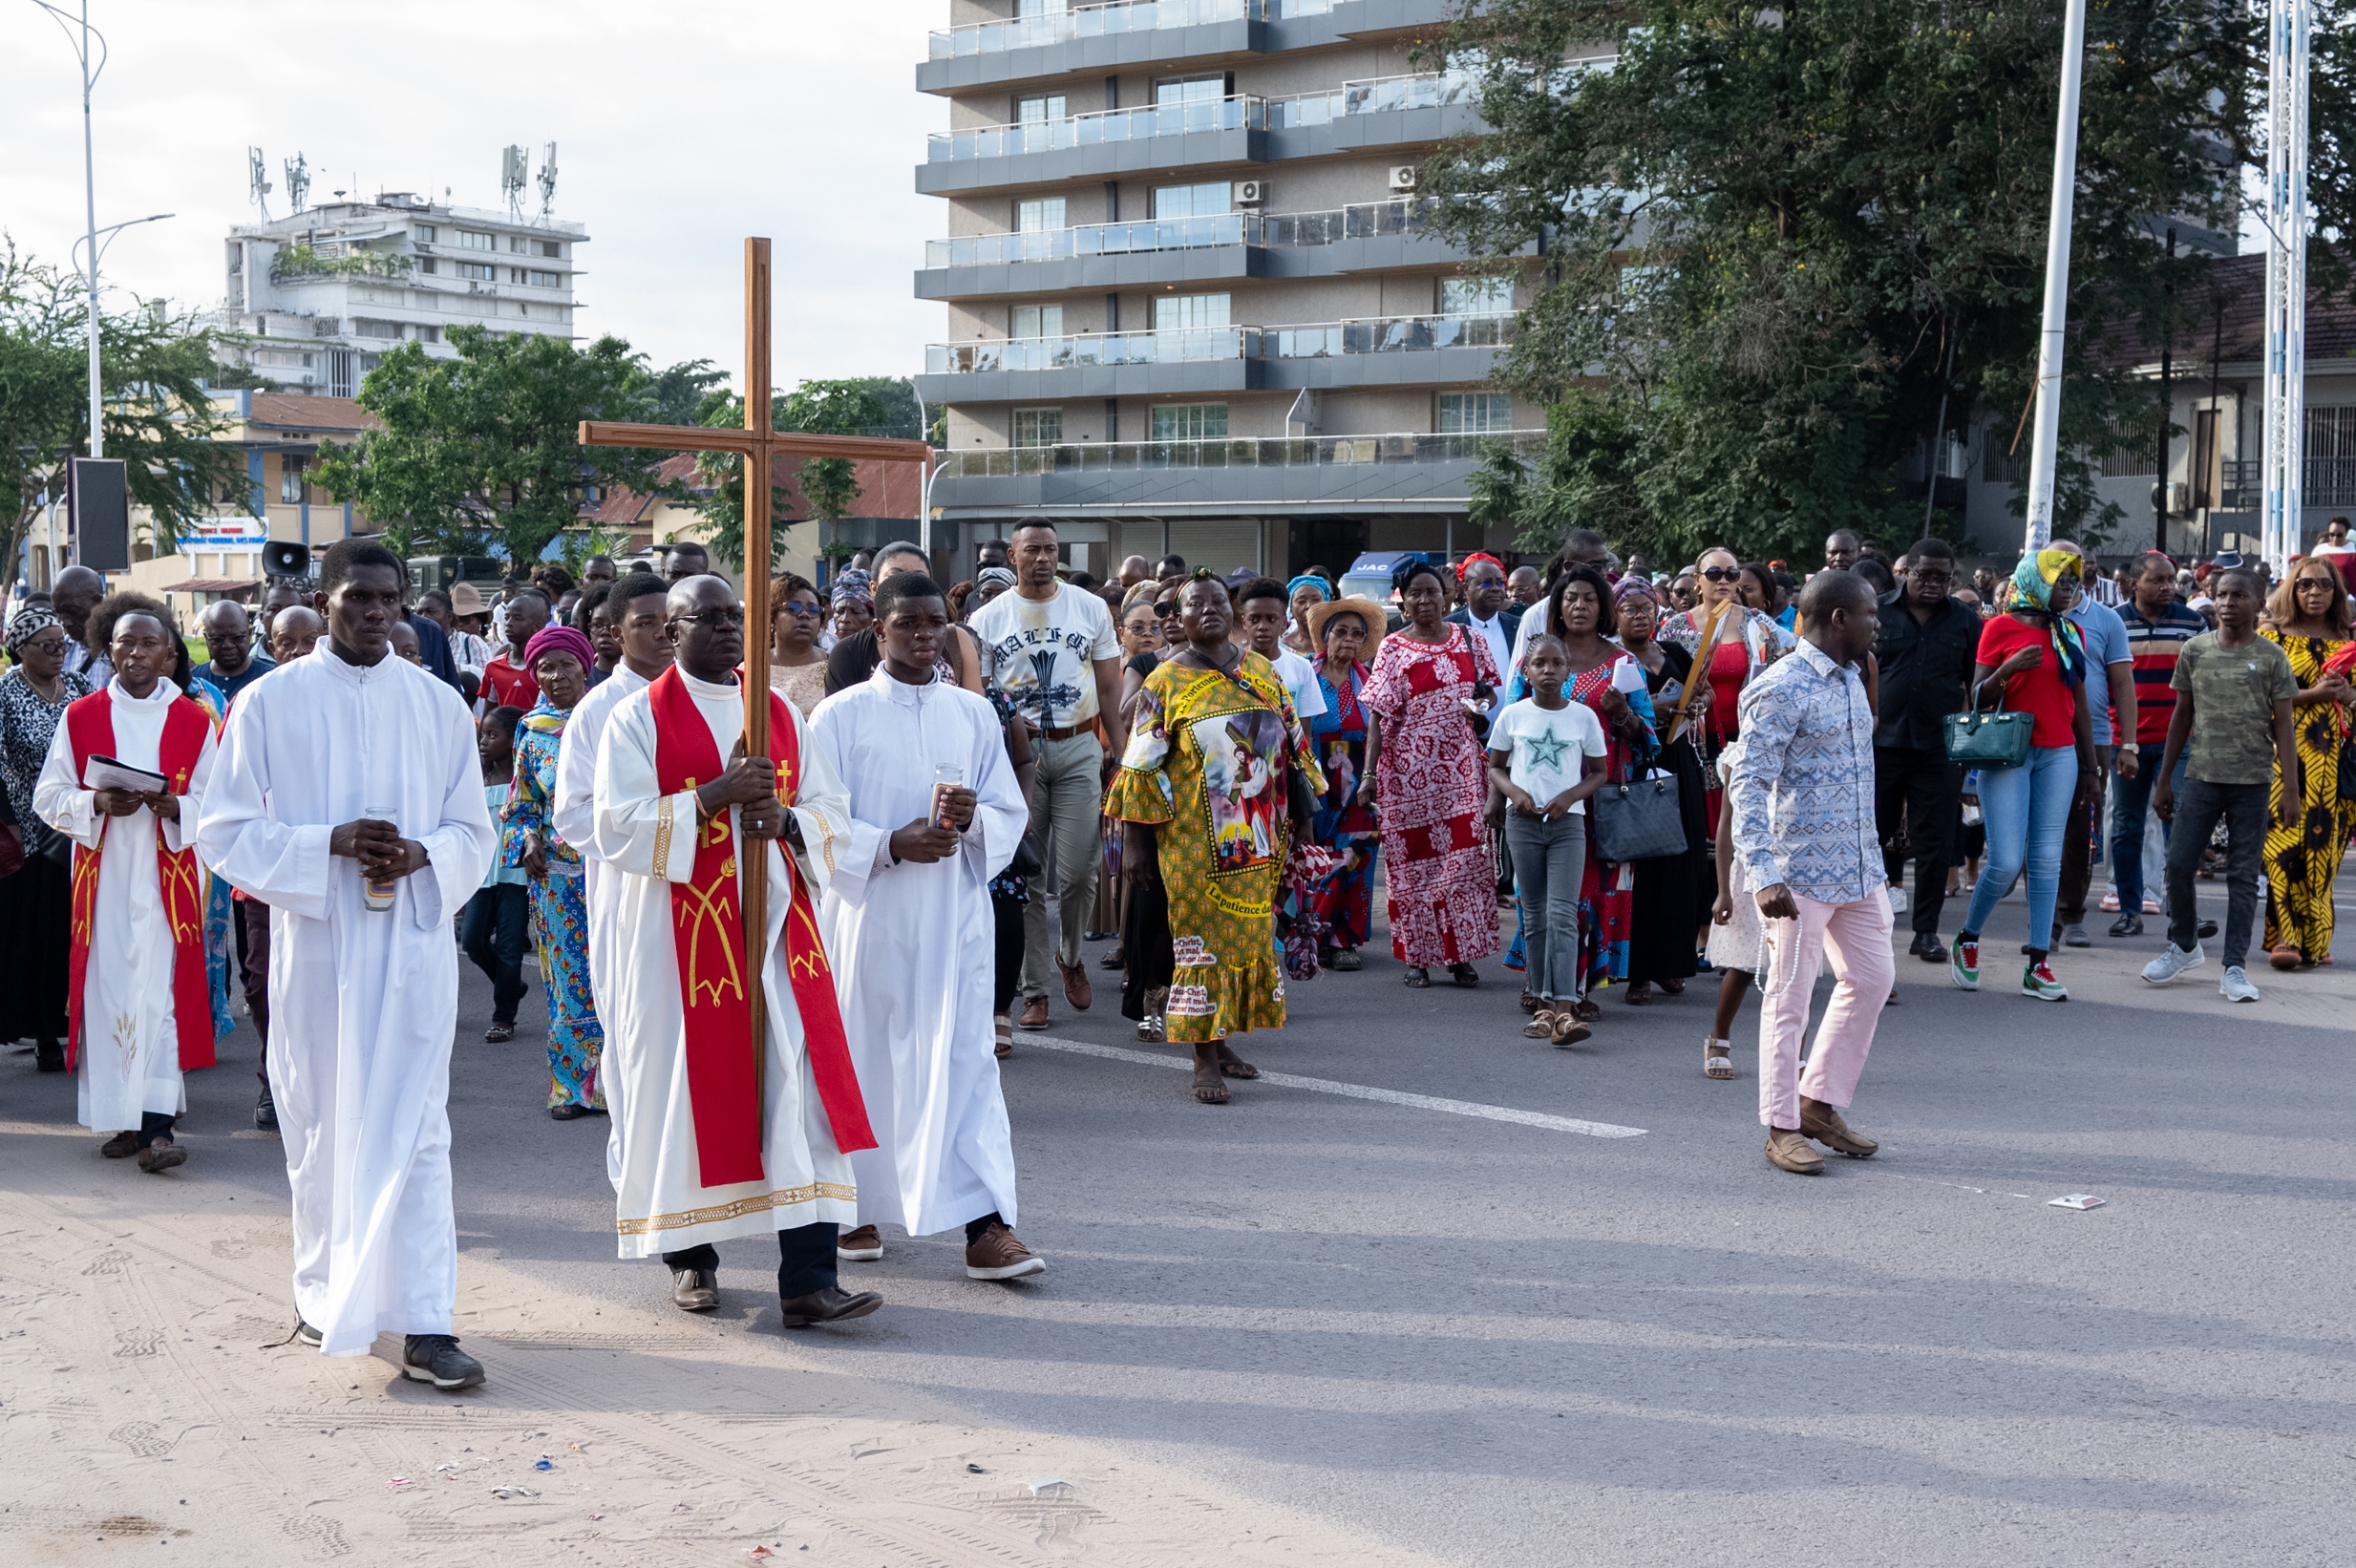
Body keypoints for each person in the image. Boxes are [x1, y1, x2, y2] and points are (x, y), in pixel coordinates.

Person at [195, 540, 498, 1388]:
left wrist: (422, 857)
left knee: (418, 1128)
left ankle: (426, 1322)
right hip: (317, 947)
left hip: (410, 949)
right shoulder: (268, 704)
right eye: (357, 598)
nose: (374, 612)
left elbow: (477, 833)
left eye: (388, 599)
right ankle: (328, 1296)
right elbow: (219, 831)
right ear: (323, 602)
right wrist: (318, 843)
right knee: (323, 1122)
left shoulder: (438, 706)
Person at [589, 573, 881, 1327]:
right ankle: (692, 1261)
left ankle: (809, 1281)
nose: (724, 628)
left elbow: (832, 814)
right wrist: (714, 797)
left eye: (734, 617)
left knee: (800, 1095)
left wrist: (784, 820)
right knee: (686, 1098)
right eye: (704, 618)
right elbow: (612, 826)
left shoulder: (778, 712)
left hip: (780, 941)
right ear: (669, 631)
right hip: (675, 947)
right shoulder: (635, 721)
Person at [810, 573, 1043, 1278]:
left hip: (950, 920)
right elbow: (812, 821)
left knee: (963, 1066)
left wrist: (974, 823)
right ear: (876, 632)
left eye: (934, 622)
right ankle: (852, 1209)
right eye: (906, 622)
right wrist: (886, 845)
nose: (922, 634)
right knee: (863, 1063)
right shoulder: (839, 717)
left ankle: (985, 1226)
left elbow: (1007, 808)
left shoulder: (972, 715)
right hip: (867, 920)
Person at [1107, 573, 1322, 1102]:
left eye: (1217, 602)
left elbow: (1293, 746)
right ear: (1176, 622)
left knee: (1246, 942)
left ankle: (1221, 1039)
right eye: (1194, 605)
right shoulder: (1164, 681)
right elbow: (1140, 767)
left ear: (1235, 613)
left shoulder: (1260, 671)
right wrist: (1136, 842)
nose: (1208, 610)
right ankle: (1203, 1057)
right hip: (1192, 845)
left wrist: (1305, 824)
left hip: (1258, 838)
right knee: (1199, 947)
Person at [33, 595, 218, 1174]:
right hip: (105, 875)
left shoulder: (193, 720)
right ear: (106, 650)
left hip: (169, 876)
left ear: (169, 655)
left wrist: (176, 806)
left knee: (159, 995)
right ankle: (123, 1118)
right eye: (124, 643)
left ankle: (158, 1128)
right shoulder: (81, 715)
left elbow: (217, 804)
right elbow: (48, 796)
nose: (135, 653)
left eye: (149, 644)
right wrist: (96, 801)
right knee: (110, 990)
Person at [1728, 571, 1890, 1175]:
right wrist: (1762, 872)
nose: (1880, 623)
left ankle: (1819, 1101)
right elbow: (1748, 782)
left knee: (1872, 980)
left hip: (1858, 865)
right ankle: (1781, 1125)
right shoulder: (1781, 687)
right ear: (1840, 619)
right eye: (1871, 614)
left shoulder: (1853, 677)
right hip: (1796, 873)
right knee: (1789, 999)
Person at [967, 520, 1126, 1028]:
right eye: (1031, 549)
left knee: (1080, 869)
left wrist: (1120, 755)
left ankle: (1071, 955)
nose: (1042, 557)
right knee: (1026, 873)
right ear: (1012, 555)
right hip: (1019, 756)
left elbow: (1109, 690)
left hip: (1079, 746)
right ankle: (1035, 987)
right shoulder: (989, 618)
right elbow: (981, 700)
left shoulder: (1090, 608)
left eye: (1050, 549)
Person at [2142, 569, 2302, 1002]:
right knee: (2177, 866)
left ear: (2259, 602)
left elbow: (2284, 725)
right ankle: (2184, 945)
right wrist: (2164, 780)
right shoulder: (2195, 650)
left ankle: (2234, 967)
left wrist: (2291, 789)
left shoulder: (2271, 657)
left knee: (2243, 877)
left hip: (2252, 781)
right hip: (2200, 777)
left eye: (2239, 595)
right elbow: (2181, 717)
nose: (2229, 602)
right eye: (2222, 594)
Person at [1948, 549, 2095, 1003]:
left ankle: (2038, 964)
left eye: (2073, 583)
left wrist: (2091, 766)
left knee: (2047, 859)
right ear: (2035, 582)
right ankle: (1968, 938)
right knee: (2007, 861)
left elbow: (2080, 704)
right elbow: (1979, 698)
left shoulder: (2071, 631)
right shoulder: (1999, 628)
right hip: (2008, 753)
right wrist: (2009, 670)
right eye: (2060, 582)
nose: (2068, 590)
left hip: (2060, 754)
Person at [1510, 566, 1655, 1013]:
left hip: (1603, 797)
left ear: (1603, 607)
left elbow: (1649, 737)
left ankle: (1579, 988)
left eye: (1590, 599)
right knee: (1538, 895)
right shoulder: (1534, 659)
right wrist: (1499, 795)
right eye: (1570, 598)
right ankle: (1539, 983)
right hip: (1537, 799)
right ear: (1557, 606)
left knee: (1591, 893)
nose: (1579, 606)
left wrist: (1621, 716)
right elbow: (1508, 732)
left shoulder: (1623, 664)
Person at [1360, 559, 1501, 987]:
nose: (1425, 599)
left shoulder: (1471, 641)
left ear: (1448, 595)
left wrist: (1480, 705)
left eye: (1432, 591)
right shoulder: (1393, 648)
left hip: (1461, 774)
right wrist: (1368, 775)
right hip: (1405, 777)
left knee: (1463, 865)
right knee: (1413, 872)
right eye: (1416, 593)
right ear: (1404, 601)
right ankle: (1417, 957)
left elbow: (1490, 692)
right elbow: (1378, 717)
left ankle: (1460, 956)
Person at [550, 571, 674, 1050]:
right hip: (629, 889)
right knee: (637, 1037)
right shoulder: (597, 710)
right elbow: (574, 815)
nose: (663, 632)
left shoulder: (708, 696)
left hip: (707, 884)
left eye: (671, 620)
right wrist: (668, 827)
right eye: (646, 622)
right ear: (616, 633)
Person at [500, 625, 606, 1118]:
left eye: (566, 664)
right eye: (545, 667)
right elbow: (521, 803)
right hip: (559, 879)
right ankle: (569, 1088)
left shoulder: (612, 717)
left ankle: (616, 1088)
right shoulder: (532, 730)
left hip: (612, 869)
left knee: (616, 977)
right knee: (568, 981)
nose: (556, 675)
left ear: (585, 665)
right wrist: (528, 842)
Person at [1489, 635, 1608, 1045]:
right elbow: (1496, 767)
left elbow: (1598, 772)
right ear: (1526, 671)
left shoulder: (1583, 718)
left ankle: (1565, 1008)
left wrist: (1569, 796)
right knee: (1534, 915)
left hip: (1567, 825)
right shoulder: (1514, 714)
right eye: (1540, 663)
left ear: (1568, 670)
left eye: (1557, 663)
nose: (1549, 670)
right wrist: (1515, 794)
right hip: (1522, 824)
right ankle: (1541, 1005)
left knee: (1563, 914)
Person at [1872, 538, 1978, 962]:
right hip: (1880, 743)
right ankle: (1870, 928)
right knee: (1871, 838)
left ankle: (1926, 931)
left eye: (1943, 577)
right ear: (1906, 572)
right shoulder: (1877, 610)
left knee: (1934, 842)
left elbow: (1976, 684)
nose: (1933, 584)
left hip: (1938, 748)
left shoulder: (1966, 621)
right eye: (1924, 575)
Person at [1612, 577, 1710, 1005]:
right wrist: (1661, 707)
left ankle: (1672, 963)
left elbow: (1700, 688)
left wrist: (1698, 702)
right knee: (1644, 868)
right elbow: (1611, 704)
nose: (1639, 615)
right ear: (1615, 614)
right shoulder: (1613, 659)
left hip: (1678, 762)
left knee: (1680, 862)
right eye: (1629, 608)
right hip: (1635, 766)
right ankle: (1638, 973)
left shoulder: (1672, 652)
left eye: (1646, 607)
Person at [0, 608, 91, 1071]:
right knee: (41, 937)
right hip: (32, 831)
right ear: (21, 649)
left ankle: (81, 1025)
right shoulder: (5, 694)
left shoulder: (78, 687)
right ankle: (44, 1034)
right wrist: (9, 823)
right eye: (48, 646)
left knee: (81, 930)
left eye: (62, 645)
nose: (60, 654)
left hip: (83, 825)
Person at [2257, 558, 2355, 966]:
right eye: (2305, 585)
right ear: (2291, 590)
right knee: (2283, 845)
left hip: (2336, 762)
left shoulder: (2349, 638)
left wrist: (2348, 696)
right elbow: (2260, 695)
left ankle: (2316, 939)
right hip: (2284, 755)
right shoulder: (2271, 636)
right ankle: (2286, 938)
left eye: (2325, 585)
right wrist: (2318, 694)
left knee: (2325, 849)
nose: (2315, 592)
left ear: (2337, 592)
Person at [2109, 553, 2207, 935]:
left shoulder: (2193, 621)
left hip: (2180, 743)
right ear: (2135, 583)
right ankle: (2130, 911)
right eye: (2159, 580)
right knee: (2127, 828)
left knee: (2181, 827)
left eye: (2172, 580)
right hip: (2128, 742)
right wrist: (2121, 742)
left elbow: (2204, 683)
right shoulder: (2114, 622)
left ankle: (2183, 916)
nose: (2170, 587)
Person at [1659, 547, 1788, 833]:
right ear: (1697, 579)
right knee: (1704, 823)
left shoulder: (1759, 625)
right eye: (1714, 573)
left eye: (1731, 574)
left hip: (1748, 738)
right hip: (1695, 741)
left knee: (1746, 821)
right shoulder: (1674, 629)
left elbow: (1780, 674)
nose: (1723, 581)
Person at [2048, 540, 2135, 949]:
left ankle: (2072, 914)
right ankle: (2044, 918)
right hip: (2037, 737)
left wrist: (2129, 743)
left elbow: (2122, 683)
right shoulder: (2027, 618)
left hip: (2095, 740)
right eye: (2057, 565)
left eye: (2074, 566)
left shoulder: (2106, 620)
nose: (2067, 574)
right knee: (2040, 830)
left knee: (2080, 831)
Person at [1305, 596, 1385, 969]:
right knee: (1315, 856)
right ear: (1325, 636)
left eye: (1356, 633)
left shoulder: (1371, 682)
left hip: (1358, 785)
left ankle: (1343, 941)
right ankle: (1311, 935)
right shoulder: (1307, 675)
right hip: (1315, 780)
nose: (1348, 639)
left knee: (1354, 859)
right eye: (1341, 632)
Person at [823, 542, 987, 696]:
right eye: (894, 577)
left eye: (918, 578)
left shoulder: (957, 641)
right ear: (873, 588)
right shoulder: (848, 653)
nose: (907, 586)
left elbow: (975, 714)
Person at [464, 705, 531, 1043]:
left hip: (515, 873)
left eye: (493, 735)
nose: (484, 742)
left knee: (509, 947)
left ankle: (503, 1017)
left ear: (512, 738)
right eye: (482, 735)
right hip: (482, 871)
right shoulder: (478, 774)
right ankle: (512, 984)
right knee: (473, 941)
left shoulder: (524, 775)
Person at [1448, 554, 1523, 728]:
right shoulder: (1450, 628)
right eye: (1487, 583)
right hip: (1465, 733)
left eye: (1500, 583)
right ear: (1466, 588)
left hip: (1512, 732)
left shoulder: (1517, 626)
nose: (1496, 588)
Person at [768, 572, 830, 718]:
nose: (804, 615)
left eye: (813, 610)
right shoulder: (750, 671)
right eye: (793, 608)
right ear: (772, 618)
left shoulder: (833, 668)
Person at [479, 589, 547, 711]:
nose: (509, 623)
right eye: (507, 617)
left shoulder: (546, 666)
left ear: (536, 626)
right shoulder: (494, 666)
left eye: (518, 619)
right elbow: (489, 713)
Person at [192, 601, 274, 700]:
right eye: (218, 639)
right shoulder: (191, 681)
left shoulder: (269, 678)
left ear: (249, 634)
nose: (227, 645)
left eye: (236, 638)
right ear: (206, 638)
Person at [50, 564, 107, 684]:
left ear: (98, 602)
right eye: (59, 613)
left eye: (72, 611)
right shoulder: (61, 650)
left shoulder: (124, 650)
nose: (64, 622)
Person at [1282, 572, 1329, 656]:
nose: (1309, 606)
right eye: (1301, 601)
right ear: (1291, 609)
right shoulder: (1281, 648)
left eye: (1316, 600)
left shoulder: (1337, 644)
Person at [830, 568, 875, 645]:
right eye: (839, 612)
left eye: (856, 612)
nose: (845, 619)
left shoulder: (886, 653)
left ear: (873, 617)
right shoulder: (825, 652)